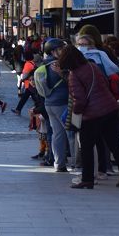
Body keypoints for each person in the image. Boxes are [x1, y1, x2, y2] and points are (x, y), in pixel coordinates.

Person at [59, 46, 119, 189]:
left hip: (93, 114)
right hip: (110, 108)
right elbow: (105, 84)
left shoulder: (74, 75)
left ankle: (87, 179)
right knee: (114, 144)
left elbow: (79, 99)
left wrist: (76, 113)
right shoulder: (92, 66)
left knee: (87, 146)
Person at [36, 38, 73, 174]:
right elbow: (71, 81)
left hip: (49, 103)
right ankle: (75, 163)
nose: (63, 51)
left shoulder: (44, 64)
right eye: (61, 49)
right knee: (71, 134)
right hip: (62, 103)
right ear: (53, 51)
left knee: (57, 134)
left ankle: (59, 163)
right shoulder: (59, 65)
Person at [12, 49, 38, 116]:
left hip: (29, 84)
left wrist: (22, 79)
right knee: (25, 98)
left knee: (35, 99)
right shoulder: (32, 63)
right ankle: (18, 109)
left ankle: (40, 108)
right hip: (31, 83)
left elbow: (25, 75)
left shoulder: (27, 64)